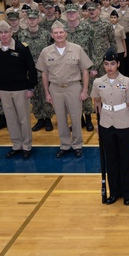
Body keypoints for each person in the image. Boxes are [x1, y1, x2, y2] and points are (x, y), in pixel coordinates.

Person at [37, 21, 93, 158]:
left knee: (75, 118)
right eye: (56, 33)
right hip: (55, 89)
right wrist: (47, 92)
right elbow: (44, 73)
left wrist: (85, 90)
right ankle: (65, 145)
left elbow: (85, 70)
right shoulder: (46, 51)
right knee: (61, 119)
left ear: (66, 33)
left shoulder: (76, 49)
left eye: (61, 32)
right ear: (52, 35)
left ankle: (77, 144)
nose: (59, 35)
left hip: (73, 87)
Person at [92, 49, 129, 205]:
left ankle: (127, 193)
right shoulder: (98, 82)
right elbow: (97, 103)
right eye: (106, 64)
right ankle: (114, 192)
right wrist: (97, 124)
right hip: (106, 123)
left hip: (124, 123)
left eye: (112, 64)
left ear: (118, 64)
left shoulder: (127, 82)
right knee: (111, 159)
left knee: (126, 159)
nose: (109, 67)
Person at [0, 20, 38, 159]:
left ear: (11, 32)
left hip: (21, 89)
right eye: (0, 32)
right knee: (11, 119)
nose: (4, 35)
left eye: (6, 32)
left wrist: (31, 87)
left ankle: (27, 146)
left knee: (24, 119)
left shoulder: (21, 47)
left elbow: (31, 68)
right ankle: (16, 145)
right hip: (3, 90)